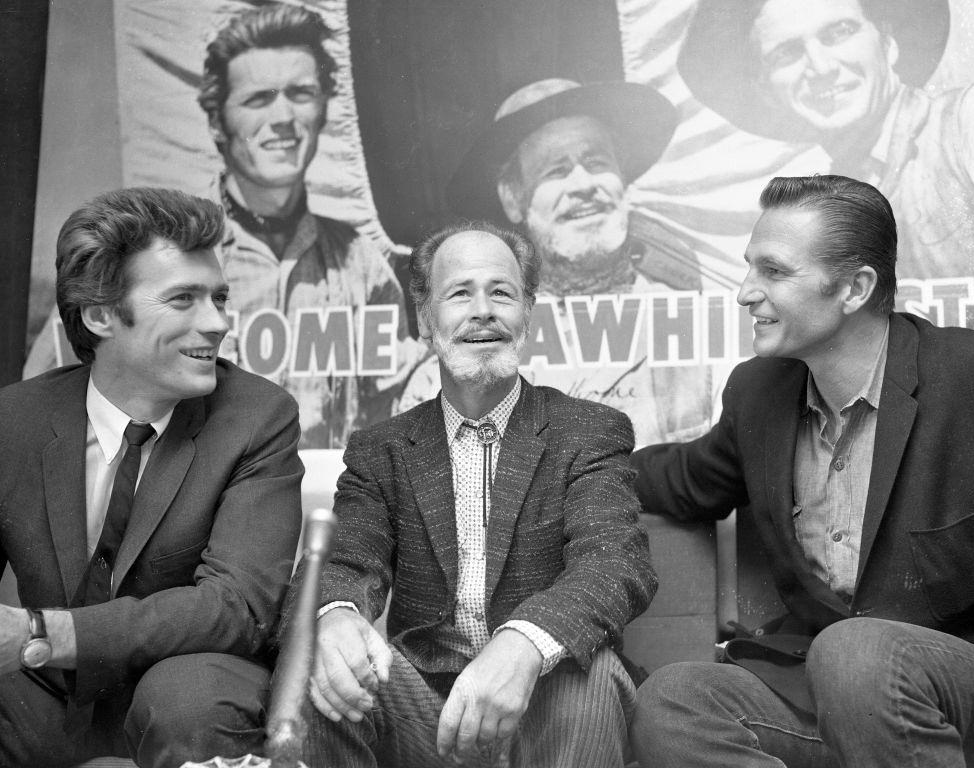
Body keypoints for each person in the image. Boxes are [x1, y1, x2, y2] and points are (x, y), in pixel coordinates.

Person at [628, 174, 974, 767]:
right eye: (748, 268)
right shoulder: (758, 393)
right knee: (675, 700)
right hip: (834, 685)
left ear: (855, 288)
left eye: (774, 271)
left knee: (857, 653)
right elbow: (685, 477)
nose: (745, 292)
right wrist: (577, 464)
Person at [293, 220, 656, 767]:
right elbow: (345, 561)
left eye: (502, 293)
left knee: (592, 671)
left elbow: (612, 565)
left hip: (550, 701)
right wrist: (336, 614)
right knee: (327, 669)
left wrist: (524, 642)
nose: (483, 310)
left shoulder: (588, 431)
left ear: (527, 313)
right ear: (425, 318)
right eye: (460, 293)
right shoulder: (382, 449)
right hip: (428, 712)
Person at [0, 188, 304, 768]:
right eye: (183, 299)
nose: (217, 323)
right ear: (100, 315)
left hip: (179, 696)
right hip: (45, 700)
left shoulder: (257, 417)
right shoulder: (14, 420)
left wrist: (45, 633)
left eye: (218, 298)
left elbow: (236, 609)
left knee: (188, 697)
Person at [26, 2, 420, 449]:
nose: (284, 119)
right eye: (259, 99)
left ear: (325, 108)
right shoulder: (155, 256)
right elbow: (49, 398)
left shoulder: (360, 262)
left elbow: (400, 404)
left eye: (301, 93)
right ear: (216, 121)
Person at [676, 0, 974, 330]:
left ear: (888, 42)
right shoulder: (831, 205)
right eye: (788, 54)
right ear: (765, 91)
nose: (822, 68)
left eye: (839, 33)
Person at [439, 78, 717, 446]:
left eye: (597, 161)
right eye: (556, 171)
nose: (583, 184)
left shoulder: (685, 321)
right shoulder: (478, 342)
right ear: (513, 198)